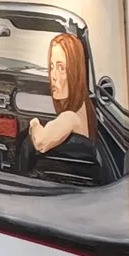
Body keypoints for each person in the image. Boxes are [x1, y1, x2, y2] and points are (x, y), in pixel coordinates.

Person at [25, 31, 94, 170]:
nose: (53, 76)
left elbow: (41, 143)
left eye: (61, 68)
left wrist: (34, 124)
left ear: (75, 71)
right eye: (51, 67)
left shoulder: (70, 118)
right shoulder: (85, 108)